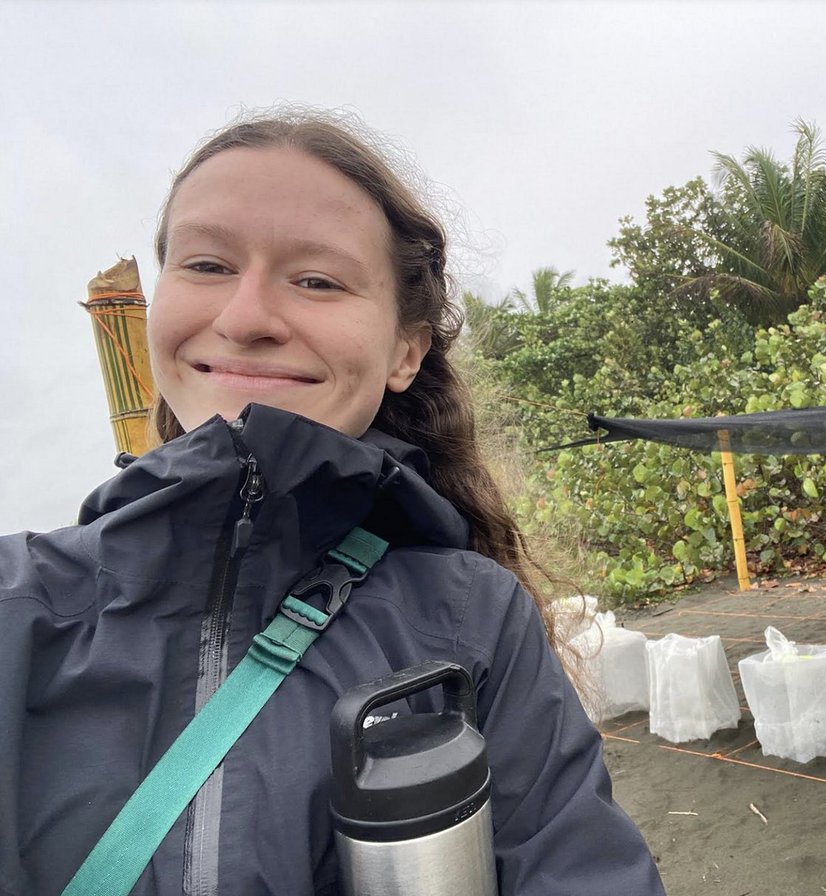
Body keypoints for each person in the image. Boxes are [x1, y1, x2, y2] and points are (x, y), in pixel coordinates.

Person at [0, 108, 665, 896]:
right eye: (208, 265)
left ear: (405, 350)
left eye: (317, 280)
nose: (244, 318)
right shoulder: (20, 604)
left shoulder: (471, 618)